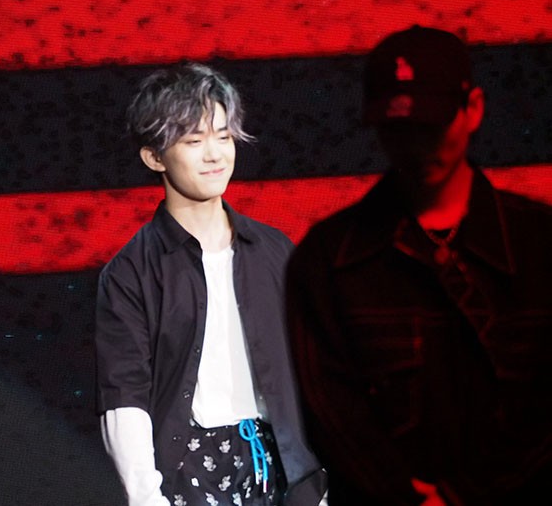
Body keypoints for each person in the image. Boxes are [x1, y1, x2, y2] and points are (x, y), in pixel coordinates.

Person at [285, 25, 552, 505]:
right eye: (398, 129)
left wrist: (462, 495)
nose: (415, 145)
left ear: (473, 109)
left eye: (430, 125)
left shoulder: (541, 242)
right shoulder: (327, 259)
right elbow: (327, 411)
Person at [96, 63, 326, 506]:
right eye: (194, 141)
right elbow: (124, 396)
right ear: (155, 157)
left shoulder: (273, 250)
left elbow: (317, 367)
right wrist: (147, 497)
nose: (215, 154)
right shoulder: (132, 272)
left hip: (284, 465)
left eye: (223, 136)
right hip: (191, 470)